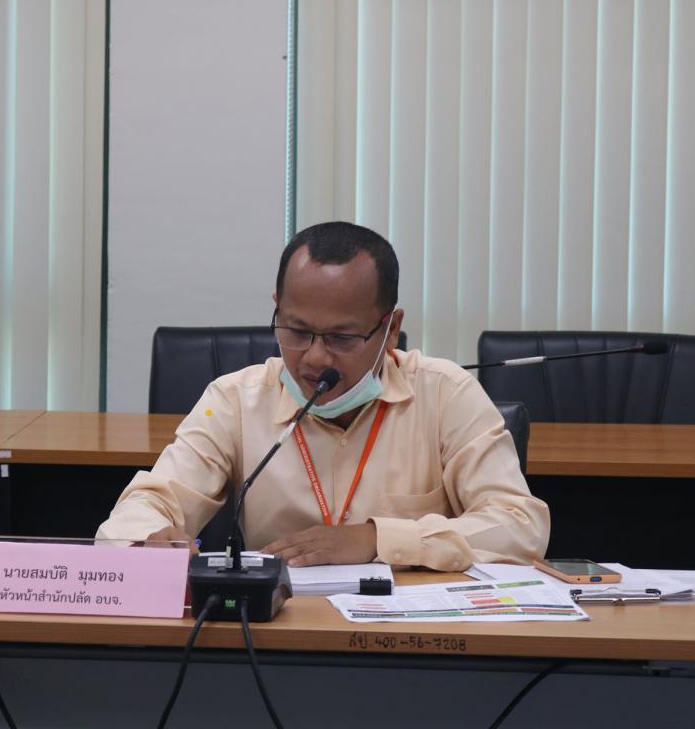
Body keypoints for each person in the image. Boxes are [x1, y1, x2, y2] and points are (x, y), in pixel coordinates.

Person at [97, 222, 549, 571]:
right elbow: (146, 504)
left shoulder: (445, 395)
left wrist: (378, 539)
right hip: (277, 633)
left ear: (391, 328)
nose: (314, 357)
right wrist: (148, 538)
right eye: (296, 331)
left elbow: (520, 525)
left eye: (341, 338)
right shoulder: (235, 401)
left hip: (410, 638)